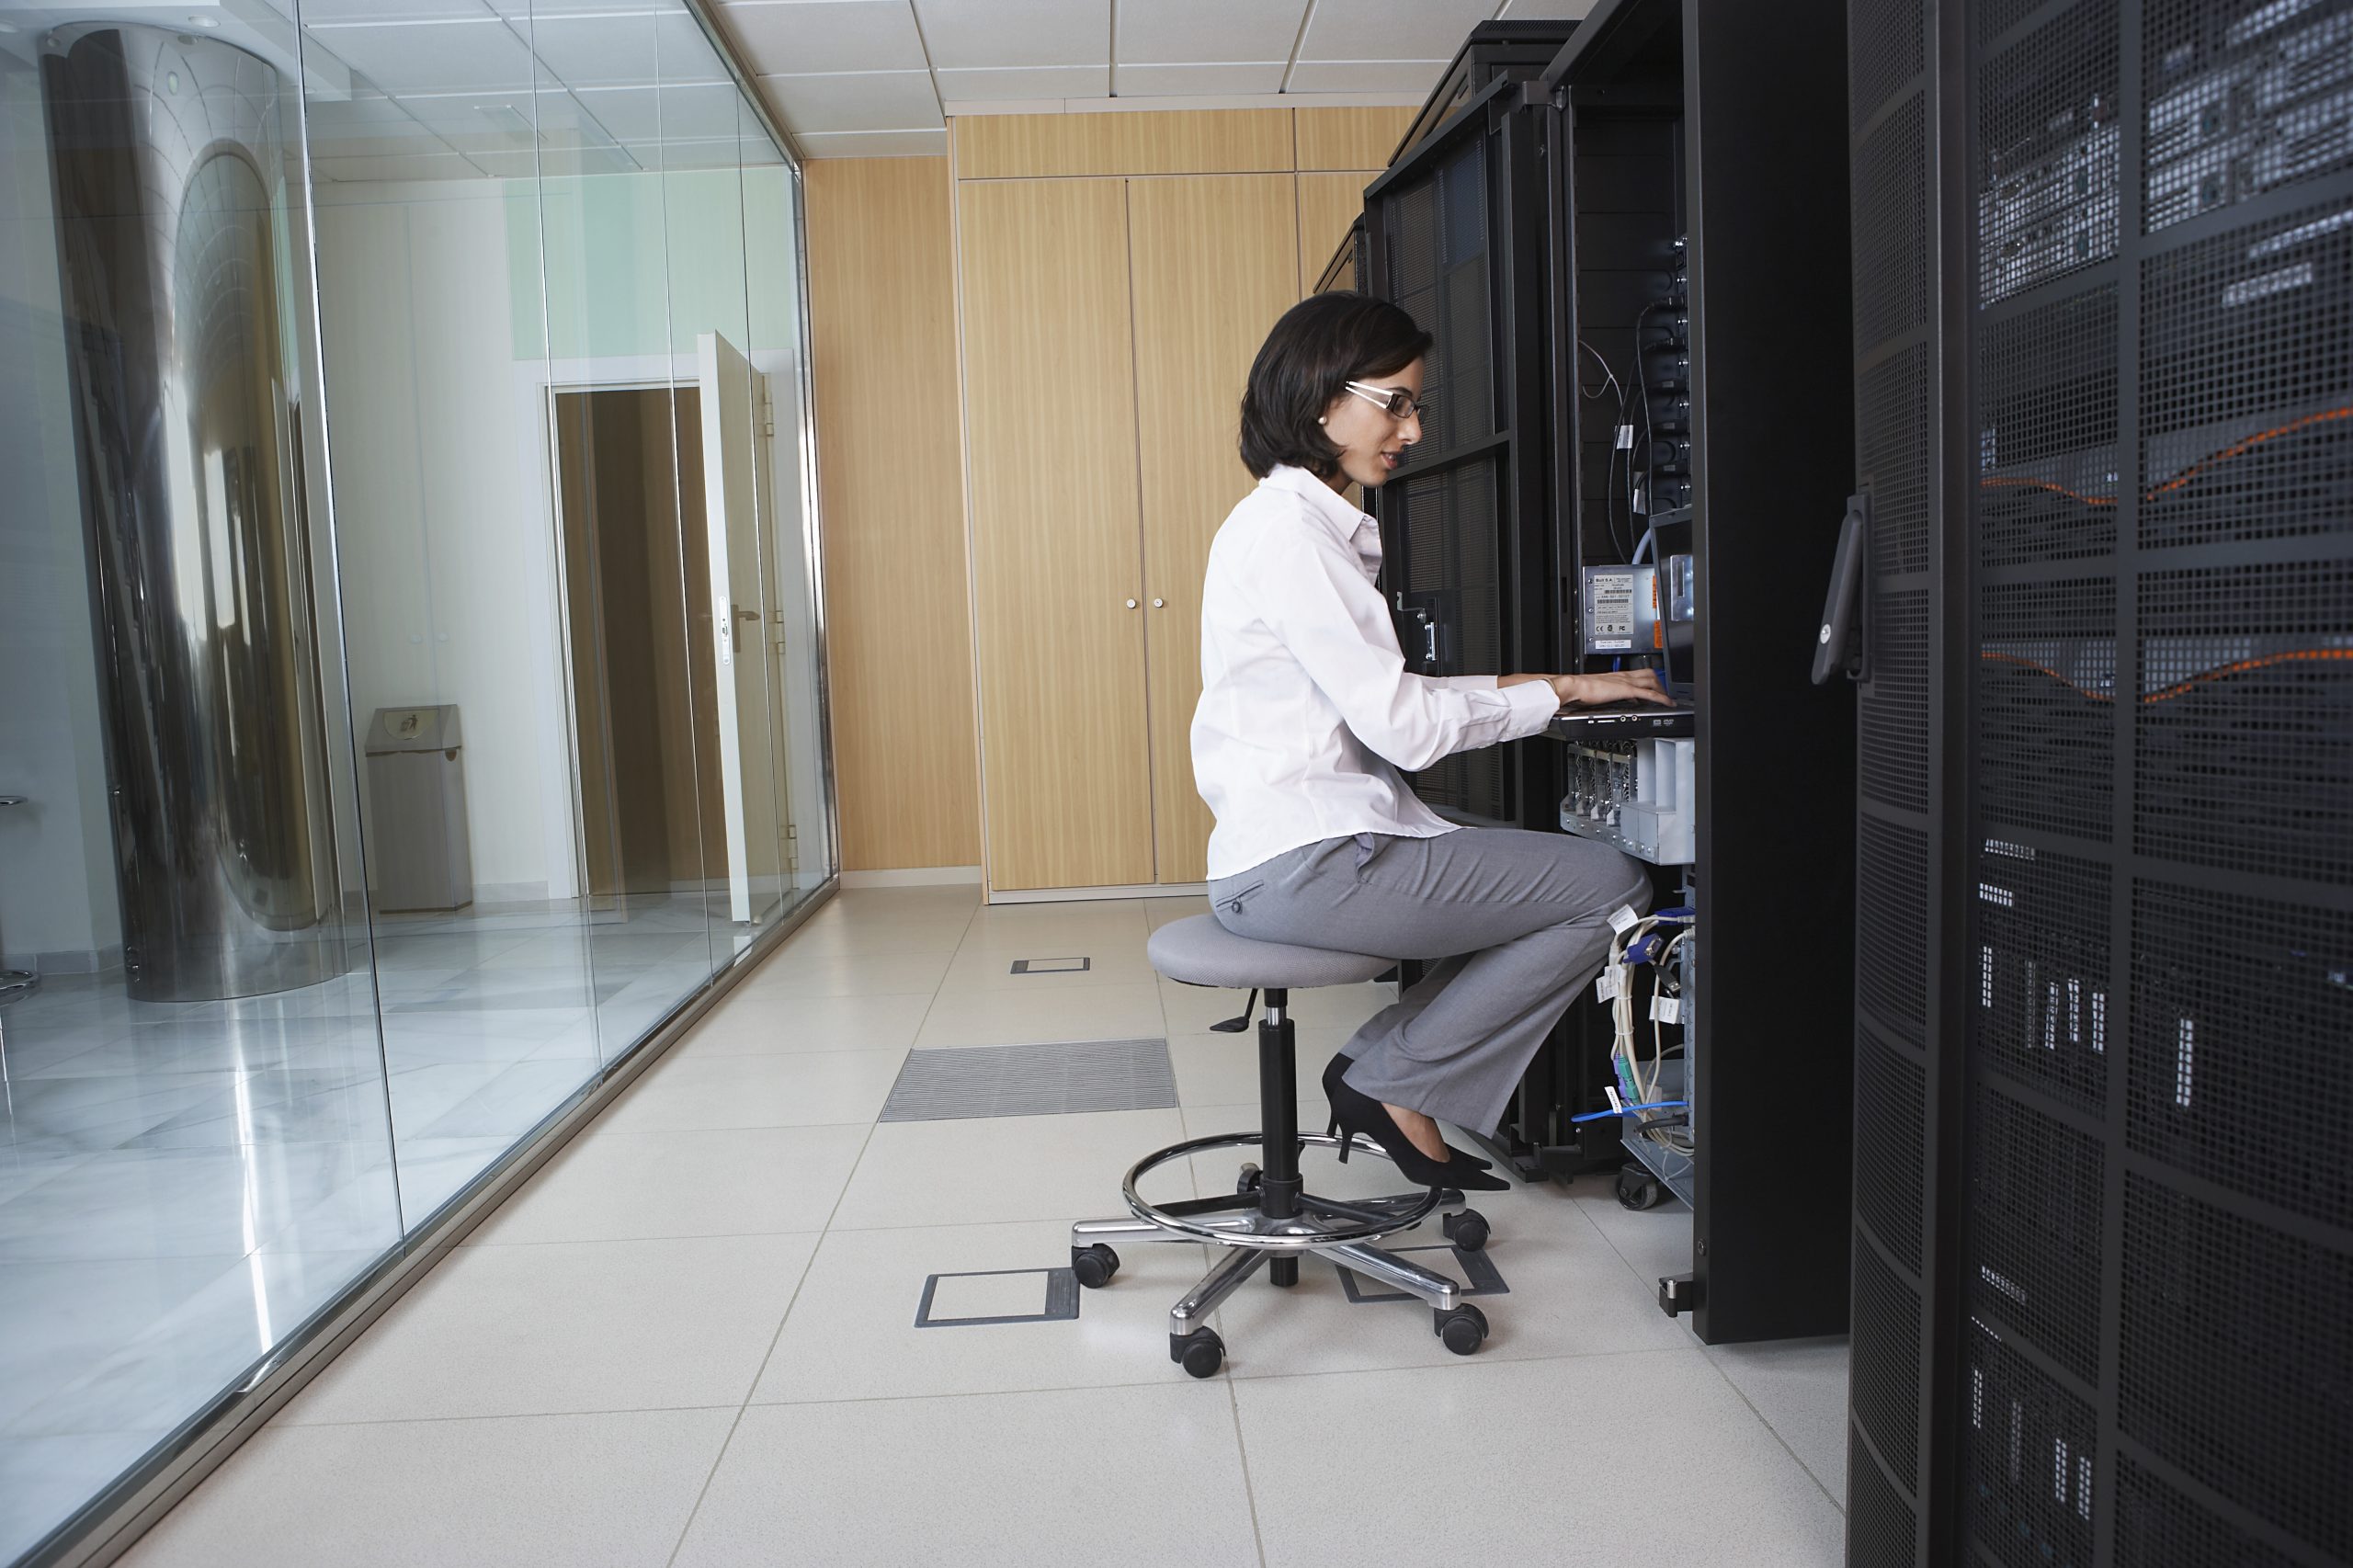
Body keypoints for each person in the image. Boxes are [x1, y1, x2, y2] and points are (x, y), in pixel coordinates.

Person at [1193, 291, 1672, 1191]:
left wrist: (1562, 687)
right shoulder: (1296, 539)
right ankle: (1393, 1079)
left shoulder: (1279, 523)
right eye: (1395, 402)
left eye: (1415, 406)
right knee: (1608, 885)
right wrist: (1543, 700)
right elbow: (1404, 727)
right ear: (1322, 396)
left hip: (1277, 858)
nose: (1410, 430)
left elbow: (1391, 696)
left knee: (1487, 856)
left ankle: (1380, 1071)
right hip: (1309, 863)